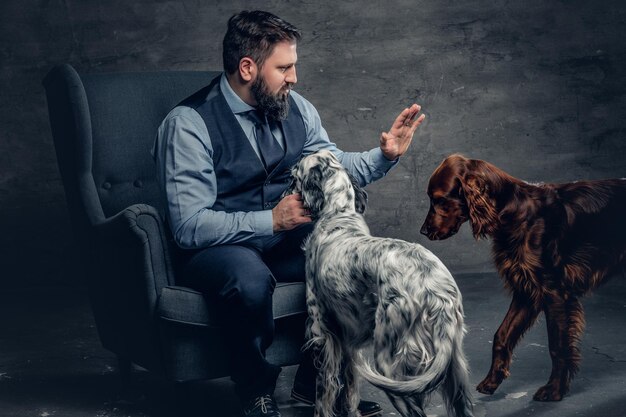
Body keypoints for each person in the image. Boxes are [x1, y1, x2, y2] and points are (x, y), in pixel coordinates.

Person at [152, 10, 425, 417]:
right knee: (249, 280)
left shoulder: (295, 107)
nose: (294, 77)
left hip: (282, 237)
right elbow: (190, 226)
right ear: (247, 68)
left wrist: (383, 156)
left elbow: (333, 164)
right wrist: (271, 220)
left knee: (346, 262)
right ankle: (255, 391)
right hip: (217, 247)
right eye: (284, 67)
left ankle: (315, 386)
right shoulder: (188, 125)